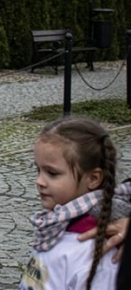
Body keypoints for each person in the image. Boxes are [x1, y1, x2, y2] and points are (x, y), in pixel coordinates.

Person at [19, 118, 131, 290]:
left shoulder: (95, 251)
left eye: (52, 173)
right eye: (38, 170)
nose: (39, 181)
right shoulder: (54, 226)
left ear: (93, 178)